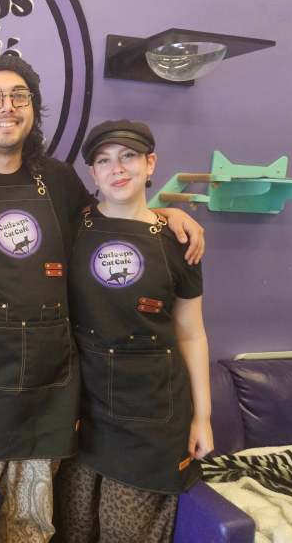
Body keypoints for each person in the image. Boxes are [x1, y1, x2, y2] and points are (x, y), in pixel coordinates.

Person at [0, 55, 205, 543]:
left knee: (33, 527)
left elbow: (115, 212)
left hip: (47, 389)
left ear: (33, 111)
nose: (6, 107)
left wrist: (166, 213)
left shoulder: (61, 181)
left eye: (19, 96)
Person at [56, 120, 213, 543]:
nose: (117, 169)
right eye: (103, 160)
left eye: (128, 156)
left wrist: (203, 417)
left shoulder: (181, 242)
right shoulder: (71, 230)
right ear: (92, 173)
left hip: (152, 420)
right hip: (82, 415)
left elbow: (192, 334)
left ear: (150, 163)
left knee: (127, 534)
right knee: (74, 529)